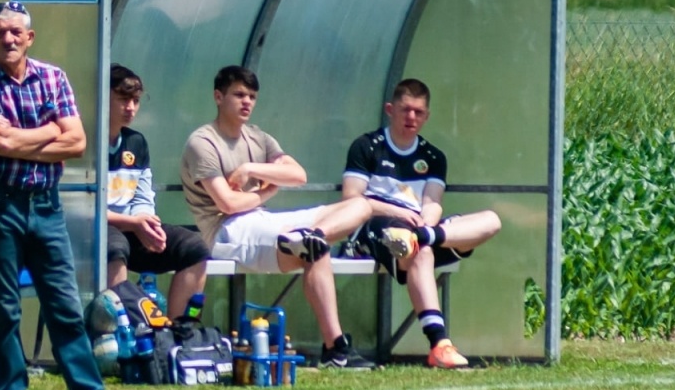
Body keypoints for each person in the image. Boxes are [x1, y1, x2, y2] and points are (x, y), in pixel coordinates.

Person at [0, 0, 136, 390]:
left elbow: (76, 142)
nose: (8, 38)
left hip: (46, 207)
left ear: (30, 37)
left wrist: (21, 137)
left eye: (16, 31)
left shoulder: (52, 77)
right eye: (0, 32)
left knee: (64, 305)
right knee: (5, 310)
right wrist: (48, 132)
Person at [180, 65, 376, 370]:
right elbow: (228, 203)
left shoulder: (258, 137)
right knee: (314, 250)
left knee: (362, 206)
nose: (247, 102)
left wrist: (252, 170)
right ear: (218, 97)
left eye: (252, 96)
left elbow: (297, 175)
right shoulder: (203, 142)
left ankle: (313, 236)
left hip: (264, 221)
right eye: (239, 94)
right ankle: (336, 349)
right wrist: (267, 191)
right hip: (227, 232)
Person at [341, 78, 503, 369]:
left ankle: (428, 236)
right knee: (419, 250)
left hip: (421, 231)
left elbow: (432, 201)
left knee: (490, 221)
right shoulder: (367, 146)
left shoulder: (433, 156)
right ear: (390, 109)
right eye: (405, 110)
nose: (411, 117)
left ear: (427, 116)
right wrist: (400, 213)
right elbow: (352, 198)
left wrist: (426, 226)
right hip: (376, 227)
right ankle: (440, 344)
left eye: (418, 112)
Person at [105, 65, 210, 320]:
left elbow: (142, 195)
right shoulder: (85, 141)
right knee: (115, 244)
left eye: (136, 101)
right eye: (123, 99)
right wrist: (133, 223)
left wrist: (148, 223)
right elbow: (82, 207)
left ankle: (176, 334)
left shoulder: (136, 142)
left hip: (132, 227)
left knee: (194, 247)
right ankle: (120, 335)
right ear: (102, 96)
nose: (131, 107)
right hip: (93, 233)